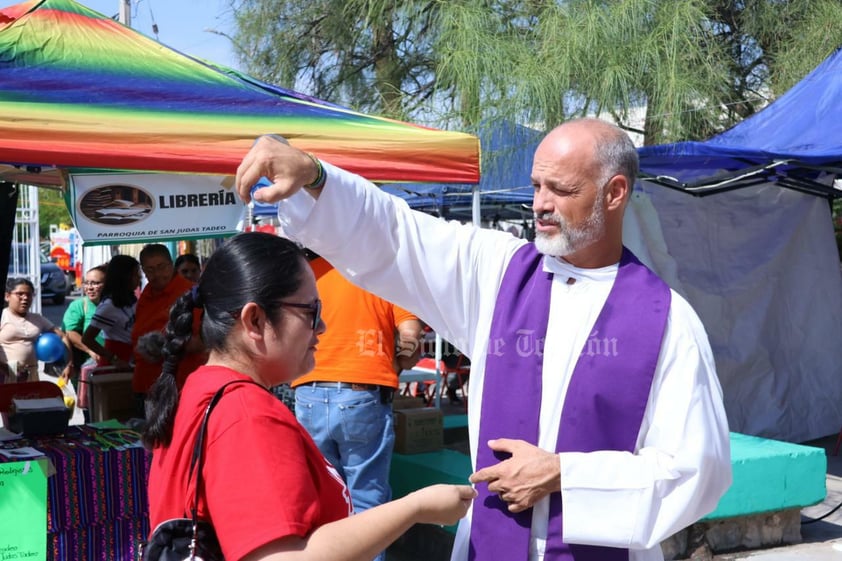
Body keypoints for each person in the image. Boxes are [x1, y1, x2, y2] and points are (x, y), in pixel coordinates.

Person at [235, 118, 733, 561]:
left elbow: (696, 470)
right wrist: (317, 176)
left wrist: (565, 473)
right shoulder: (496, 273)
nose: (540, 204)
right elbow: (398, 234)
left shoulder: (668, 321)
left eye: (560, 189)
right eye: (537, 185)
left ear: (615, 192)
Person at [144, 232, 475, 561]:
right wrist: (414, 507)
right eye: (311, 311)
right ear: (255, 320)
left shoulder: (203, 388)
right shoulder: (248, 415)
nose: (322, 327)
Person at [292, 252, 422, 561]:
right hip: (361, 393)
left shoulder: (306, 273)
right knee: (366, 500)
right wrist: (403, 356)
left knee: (323, 496)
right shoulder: (380, 270)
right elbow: (410, 333)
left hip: (308, 391)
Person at [132, 244, 205, 416]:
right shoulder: (147, 292)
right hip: (145, 383)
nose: (157, 274)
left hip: (177, 386)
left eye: (161, 267)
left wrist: (165, 347)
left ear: (171, 264)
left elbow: (201, 341)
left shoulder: (188, 292)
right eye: (150, 269)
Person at [1, 278, 73, 383]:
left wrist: (69, 364)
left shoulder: (37, 319)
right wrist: (3, 367)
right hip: (5, 376)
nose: (25, 298)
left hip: (31, 375)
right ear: (7, 296)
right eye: (20, 294)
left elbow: (63, 337)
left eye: (29, 295)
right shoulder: (3, 317)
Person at [81, 255, 141, 369]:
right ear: (125, 277)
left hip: (133, 358)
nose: (139, 277)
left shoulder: (130, 298)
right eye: (135, 274)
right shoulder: (110, 305)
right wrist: (114, 359)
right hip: (117, 364)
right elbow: (87, 339)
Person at [61, 264, 107, 377]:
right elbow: (69, 332)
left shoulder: (116, 305)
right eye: (86, 283)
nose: (90, 287)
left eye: (95, 283)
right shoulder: (79, 305)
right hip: (87, 366)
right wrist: (91, 351)